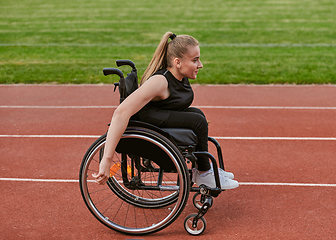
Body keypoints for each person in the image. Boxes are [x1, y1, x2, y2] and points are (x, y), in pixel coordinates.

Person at [92, 32, 239, 189]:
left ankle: (203, 169)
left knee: (198, 115)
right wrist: (107, 159)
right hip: (146, 119)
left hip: (158, 114)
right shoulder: (160, 82)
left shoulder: (180, 77)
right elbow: (121, 112)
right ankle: (204, 173)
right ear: (178, 62)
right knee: (198, 121)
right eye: (195, 60)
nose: (200, 65)